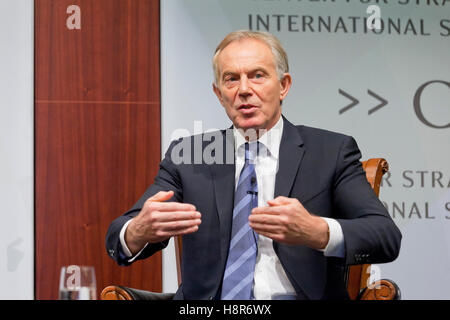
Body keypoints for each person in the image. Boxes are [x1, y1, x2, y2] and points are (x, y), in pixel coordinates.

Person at [106, 30, 401, 300]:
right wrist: (138, 230)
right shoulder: (190, 155)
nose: (243, 89)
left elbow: (385, 236)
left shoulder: (330, 152)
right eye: (231, 79)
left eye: (257, 75)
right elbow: (119, 239)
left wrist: (317, 231)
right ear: (218, 93)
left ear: (283, 86)